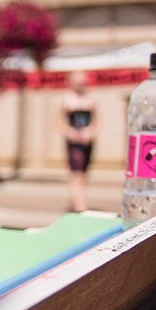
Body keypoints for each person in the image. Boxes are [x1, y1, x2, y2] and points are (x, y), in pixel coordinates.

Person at [57, 72, 99, 212]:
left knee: (83, 174)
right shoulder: (66, 99)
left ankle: (73, 202)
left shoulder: (90, 99)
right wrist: (70, 132)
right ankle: (81, 207)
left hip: (86, 140)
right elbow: (59, 122)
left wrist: (91, 132)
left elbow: (96, 121)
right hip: (74, 141)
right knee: (77, 173)